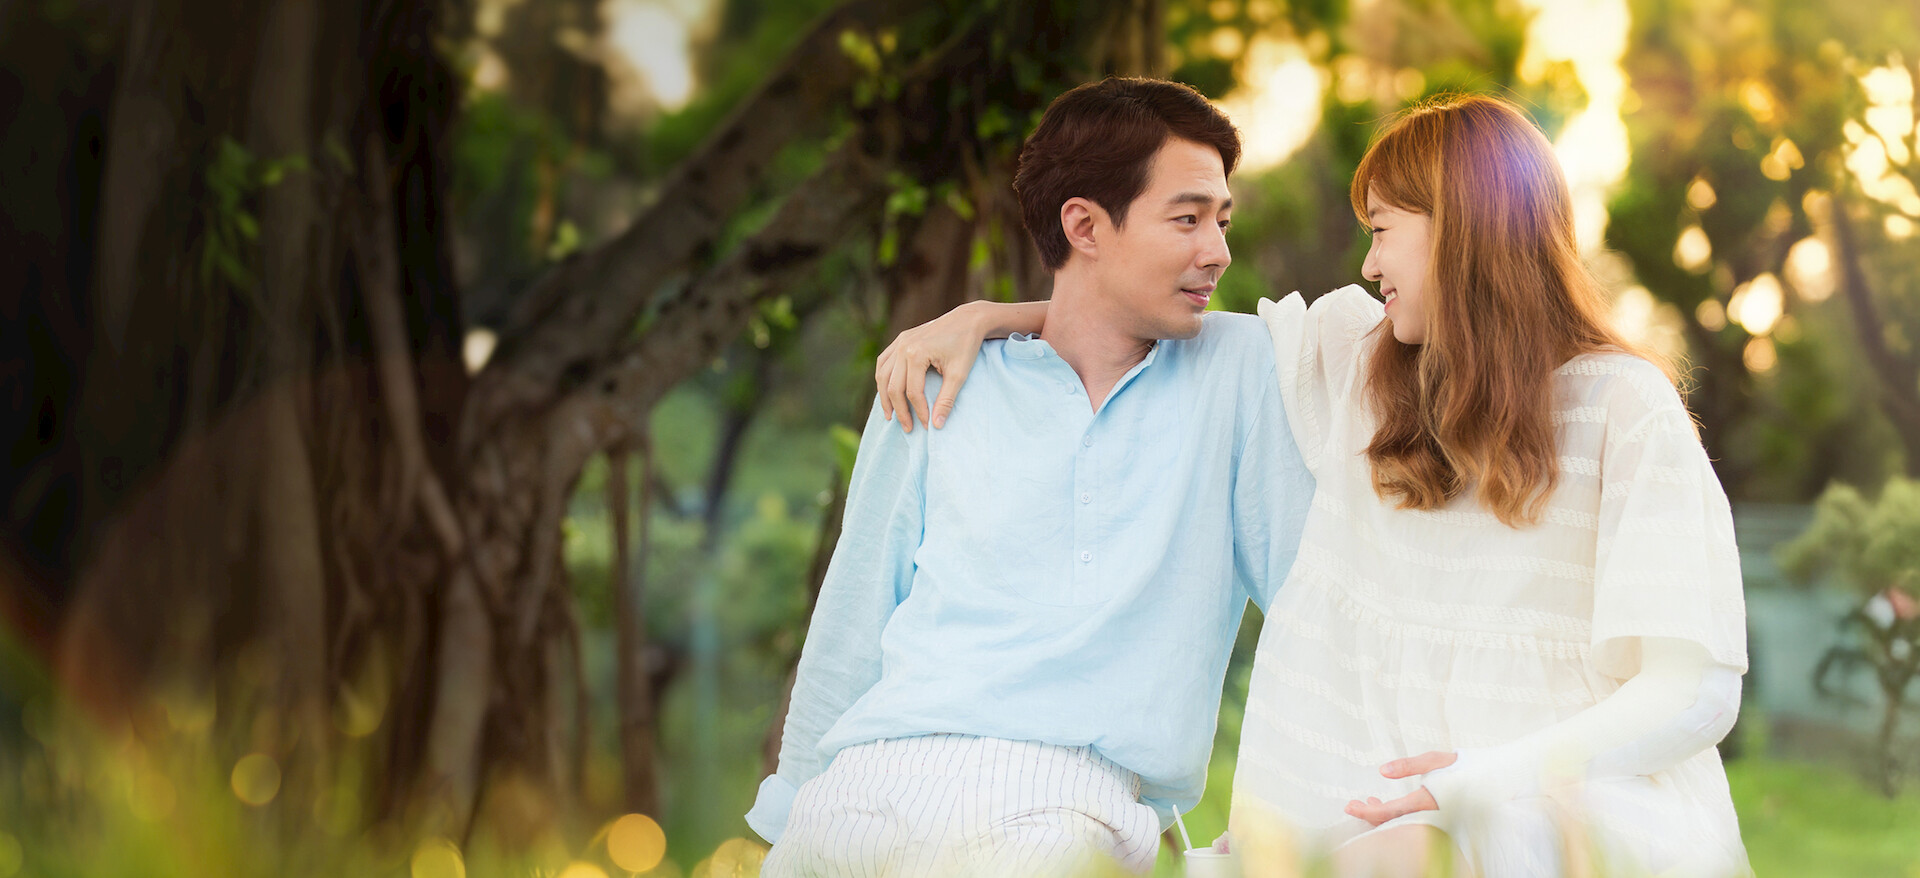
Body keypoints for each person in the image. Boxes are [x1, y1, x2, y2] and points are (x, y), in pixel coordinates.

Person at [875, 94, 1750, 877]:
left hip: (1566, 813)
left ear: (1462, 230)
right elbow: (1148, 316)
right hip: (1379, 831)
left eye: (1383, 231)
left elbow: (1693, 692)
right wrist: (987, 319)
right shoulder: (1360, 365)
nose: (1370, 266)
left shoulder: (1625, 408)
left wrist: (1482, 782)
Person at [748, 76, 1314, 877]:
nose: (1218, 250)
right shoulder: (937, 380)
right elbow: (855, 615)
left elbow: (1311, 602)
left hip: (1055, 810)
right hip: (865, 789)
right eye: (1187, 219)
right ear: (1083, 225)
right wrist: (789, 824)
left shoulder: (1241, 366)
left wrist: (1306, 816)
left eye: (1222, 219)